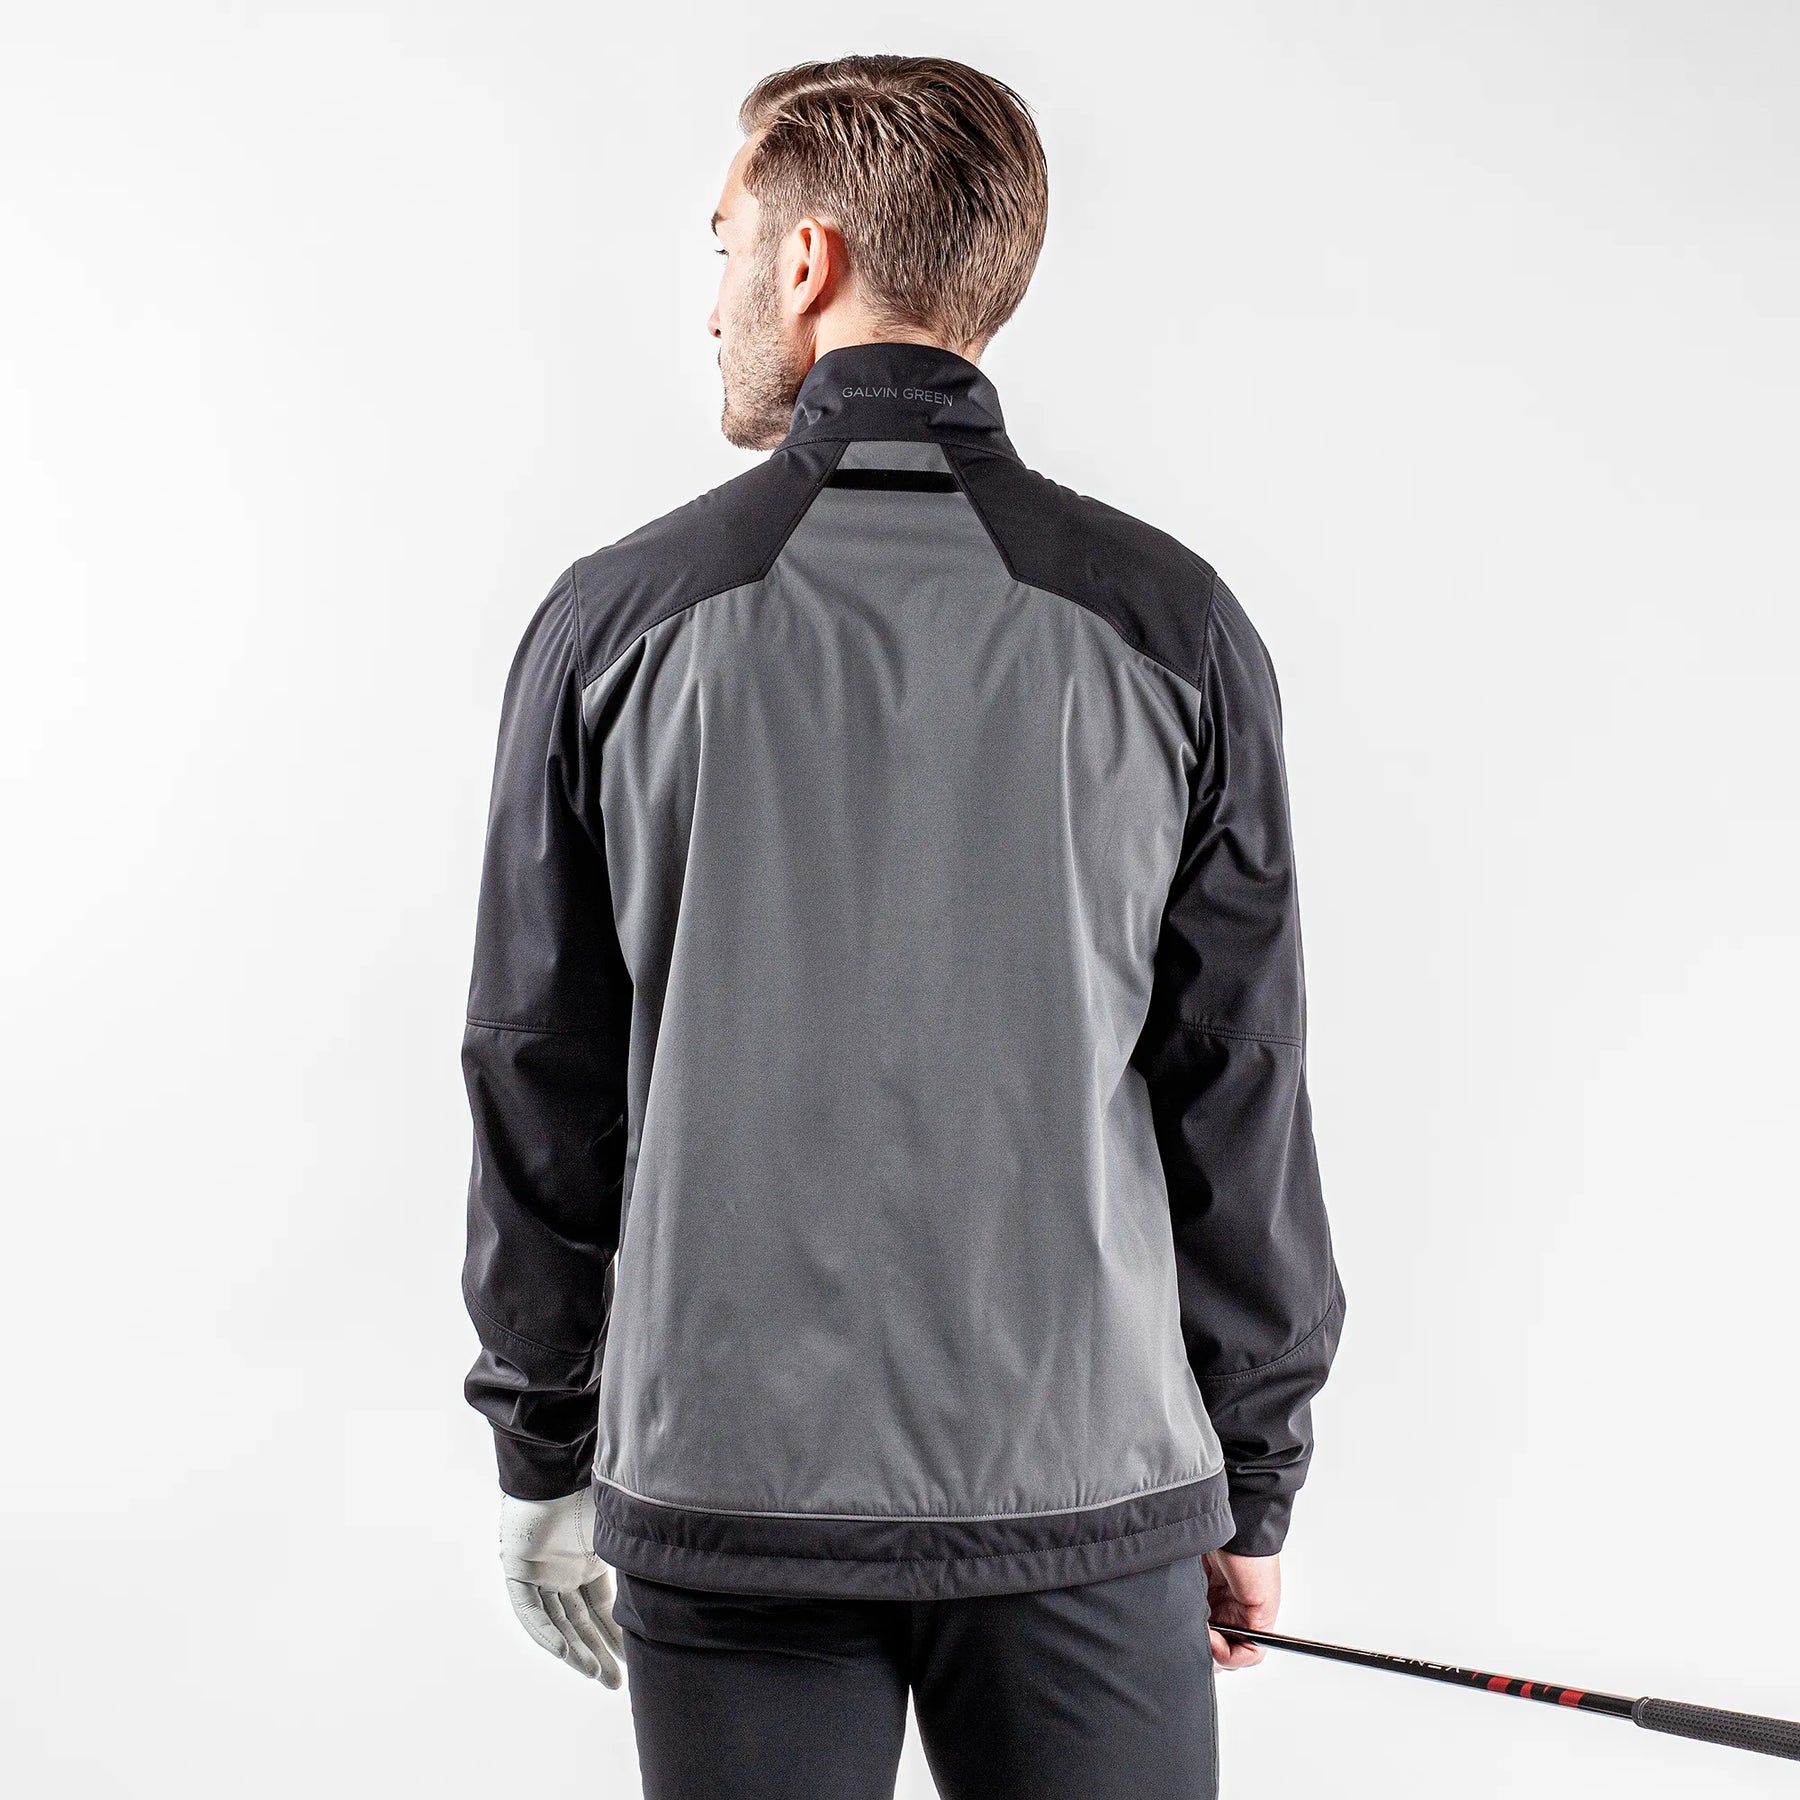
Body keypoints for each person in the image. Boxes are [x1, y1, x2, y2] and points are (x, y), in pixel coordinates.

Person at [460, 52, 1348, 1800]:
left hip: (730, 1497)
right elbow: (1236, 1078)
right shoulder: (1170, 625)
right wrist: (1252, 1476)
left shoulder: (614, 624)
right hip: (1089, 1497)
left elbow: (535, 1071)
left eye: (723, 242)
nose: (712, 296)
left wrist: (540, 1449)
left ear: (807, 261)